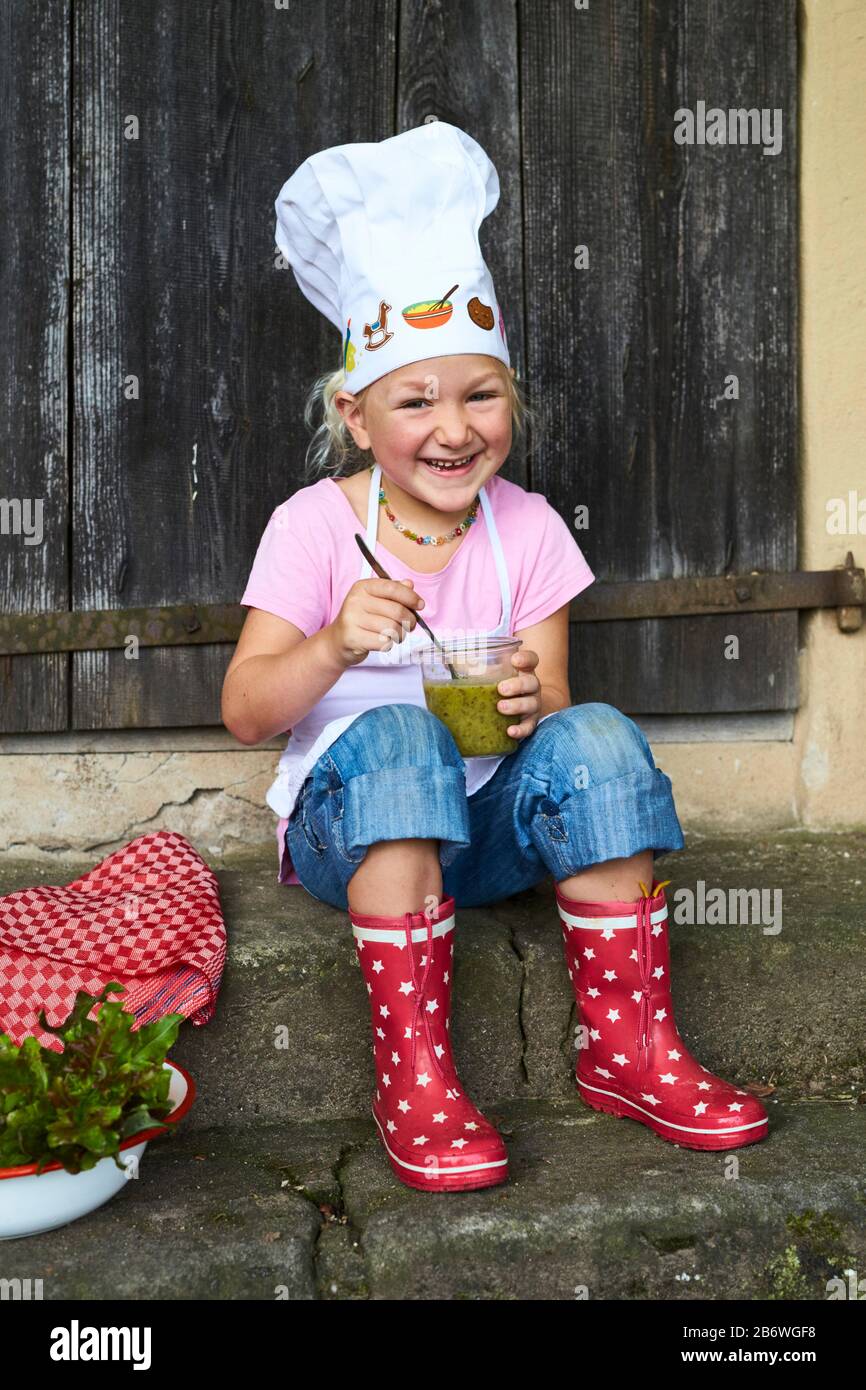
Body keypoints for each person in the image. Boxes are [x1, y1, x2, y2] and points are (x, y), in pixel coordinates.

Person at [222, 122, 768, 1194]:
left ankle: (629, 1054)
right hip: (359, 833)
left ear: (508, 400)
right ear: (355, 413)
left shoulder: (526, 530)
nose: (451, 427)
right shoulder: (314, 527)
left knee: (598, 732)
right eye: (413, 400)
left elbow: (551, 715)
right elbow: (245, 710)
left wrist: (526, 699)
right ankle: (416, 1080)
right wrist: (334, 641)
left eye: (478, 394)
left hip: (483, 830)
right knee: (394, 732)